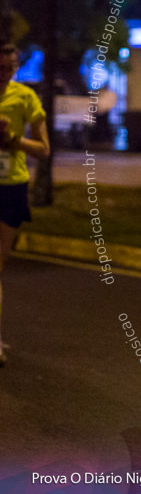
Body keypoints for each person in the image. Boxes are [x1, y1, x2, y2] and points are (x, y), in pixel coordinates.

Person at [0, 44, 50, 367]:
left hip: (10, 188)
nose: (6, 73)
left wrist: (12, 140)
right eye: (1, 67)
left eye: (11, 67)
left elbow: (44, 150)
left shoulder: (25, 98)